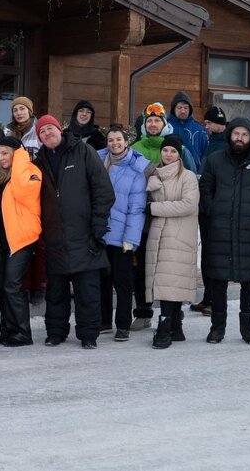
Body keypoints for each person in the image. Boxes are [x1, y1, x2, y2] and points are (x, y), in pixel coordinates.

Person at [33, 115, 115, 349]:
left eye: (50, 128)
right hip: (54, 236)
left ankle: (89, 335)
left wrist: (99, 223)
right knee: (56, 292)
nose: (47, 133)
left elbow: (103, 190)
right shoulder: (39, 162)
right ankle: (56, 333)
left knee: (87, 291)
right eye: (42, 132)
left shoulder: (84, 151)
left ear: (60, 129)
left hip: (84, 234)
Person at [199, 118, 250, 345]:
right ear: (230, 136)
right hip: (220, 229)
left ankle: (248, 329)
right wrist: (213, 210)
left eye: (244, 134)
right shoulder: (215, 160)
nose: (239, 138)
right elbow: (205, 187)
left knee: (248, 282)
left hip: (248, 229)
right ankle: (217, 328)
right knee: (218, 281)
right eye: (236, 134)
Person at [128, 102, 193, 331]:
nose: (153, 124)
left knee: (170, 267)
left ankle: (173, 313)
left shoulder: (178, 148)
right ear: (145, 125)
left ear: (164, 124)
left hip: (173, 221)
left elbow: (192, 177)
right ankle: (144, 312)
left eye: (157, 120)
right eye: (149, 121)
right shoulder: (135, 148)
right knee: (143, 268)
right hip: (144, 221)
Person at [143, 134, 200, 349]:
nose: (168, 154)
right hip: (159, 235)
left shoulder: (188, 177)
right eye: (165, 150)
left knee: (171, 282)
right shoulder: (153, 176)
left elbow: (188, 204)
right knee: (169, 280)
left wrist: (154, 208)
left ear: (180, 154)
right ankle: (176, 326)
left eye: (173, 151)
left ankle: (165, 328)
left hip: (179, 236)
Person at [0, 134, 42, 346]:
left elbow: (22, 193)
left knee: (13, 285)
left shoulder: (31, 172)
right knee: (1, 287)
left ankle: (23, 332)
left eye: (6, 153)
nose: (1, 158)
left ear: (17, 154)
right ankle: (8, 329)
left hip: (21, 239)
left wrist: (20, 157)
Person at [98, 125, 150, 341]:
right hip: (101, 232)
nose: (114, 144)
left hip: (122, 236)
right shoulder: (98, 161)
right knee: (102, 279)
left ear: (126, 141)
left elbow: (137, 208)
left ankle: (122, 325)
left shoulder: (137, 168)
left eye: (118, 139)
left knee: (123, 281)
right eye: (111, 140)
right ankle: (103, 322)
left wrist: (131, 239)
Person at [191, 105, 229, 314]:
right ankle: (208, 296)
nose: (205, 126)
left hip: (216, 209)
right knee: (207, 254)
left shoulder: (226, 145)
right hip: (205, 208)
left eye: (208, 123)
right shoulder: (211, 143)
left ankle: (216, 301)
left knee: (215, 255)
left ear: (218, 123)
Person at [166, 92, 209, 171]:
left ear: (190, 109)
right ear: (173, 109)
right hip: (170, 172)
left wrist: (201, 172)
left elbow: (206, 154)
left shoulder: (199, 129)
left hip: (193, 172)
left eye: (186, 108)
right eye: (179, 107)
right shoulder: (166, 126)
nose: (183, 111)